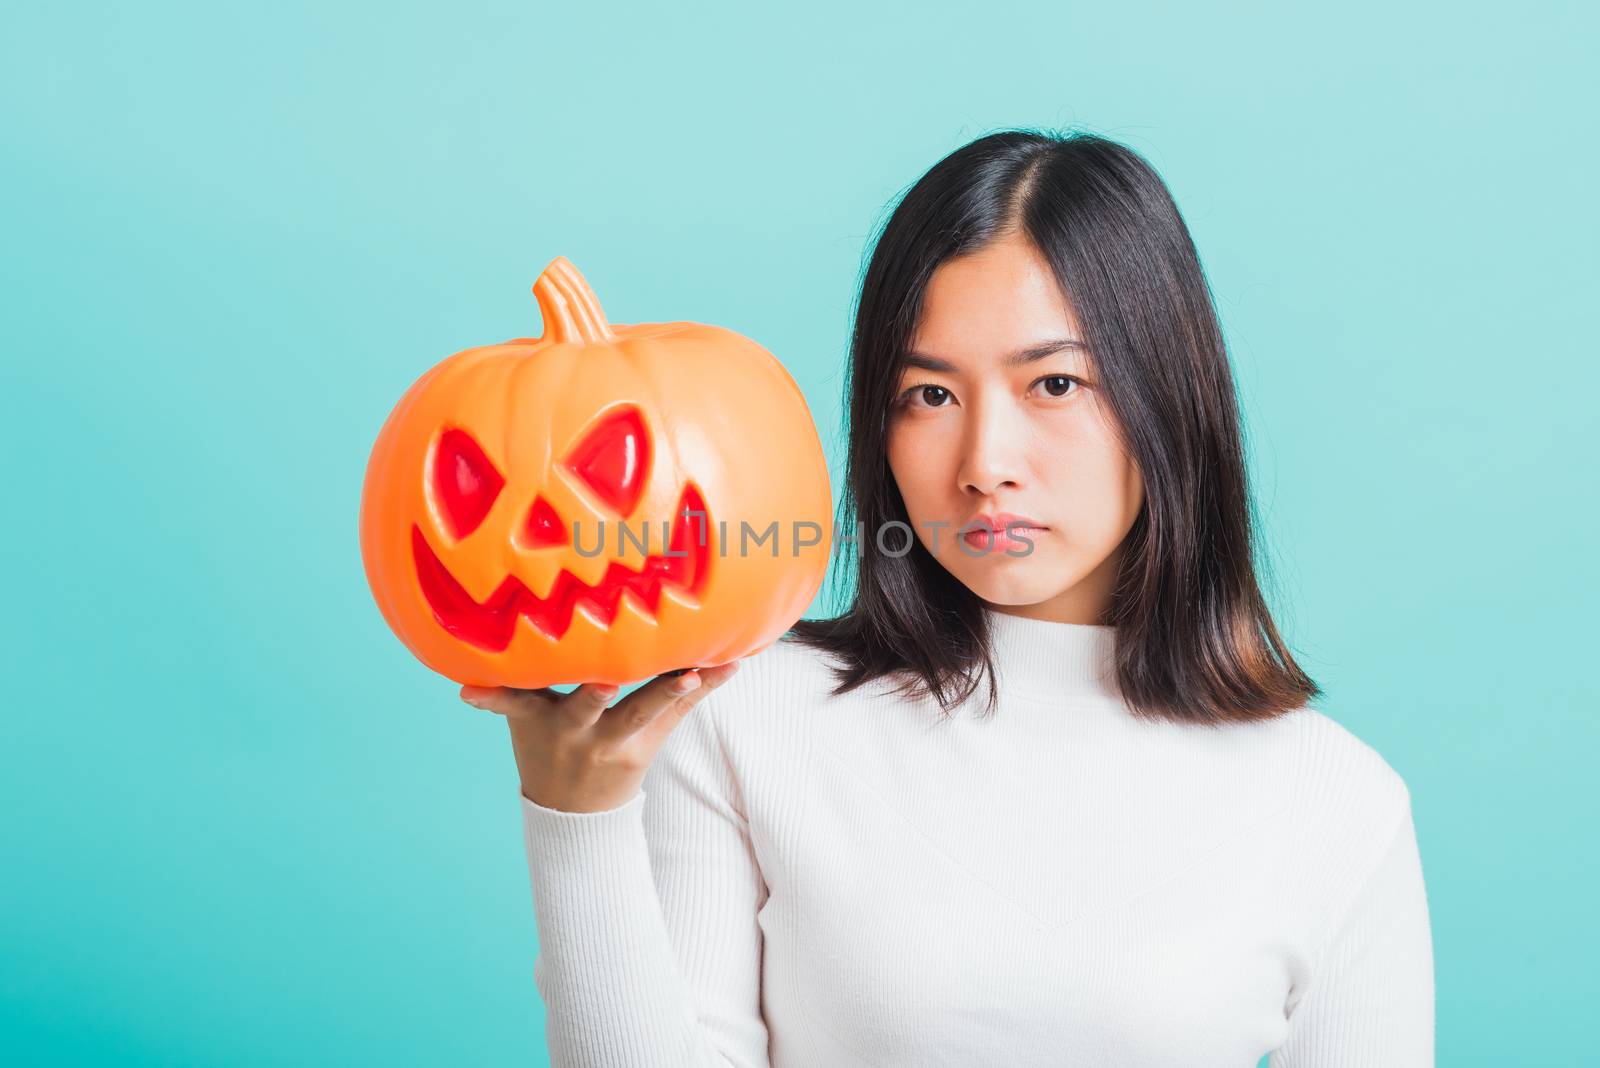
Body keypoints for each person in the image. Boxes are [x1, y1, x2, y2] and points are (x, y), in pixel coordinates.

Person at [462, 129, 1436, 1067]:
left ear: (1165, 401)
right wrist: (576, 819)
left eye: (1054, 384)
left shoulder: (1335, 803)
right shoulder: (740, 715)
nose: (984, 465)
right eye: (928, 396)